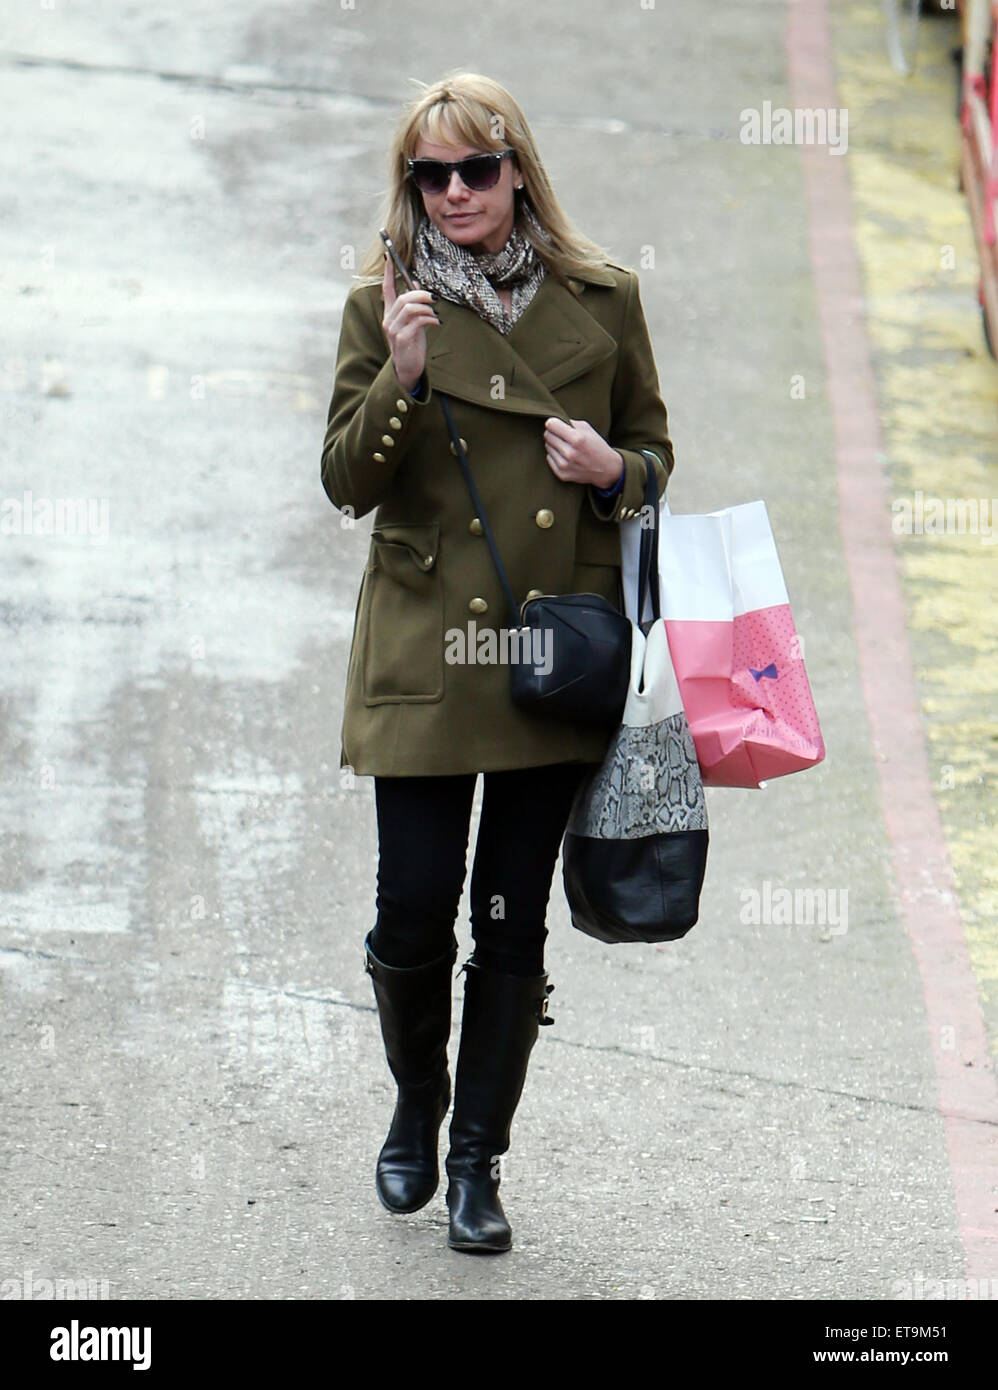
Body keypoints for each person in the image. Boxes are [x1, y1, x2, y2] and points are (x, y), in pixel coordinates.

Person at [320, 70, 673, 1254]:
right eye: (433, 174)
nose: (457, 191)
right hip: (427, 649)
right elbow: (344, 482)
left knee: (508, 919)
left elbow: (655, 454)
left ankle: (477, 1162)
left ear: (517, 168)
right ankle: (416, 1105)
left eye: (478, 168)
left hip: (548, 652)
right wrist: (401, 381)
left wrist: (609, 474)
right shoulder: (388, 306)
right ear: (410, 185)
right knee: (412, 912)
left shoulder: (602, 296)